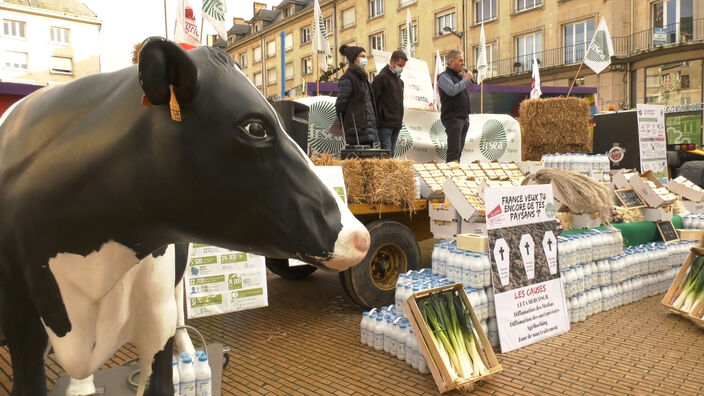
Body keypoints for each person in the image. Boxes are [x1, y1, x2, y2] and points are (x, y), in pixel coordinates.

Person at [335, 44, 378, 146]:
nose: (365, 59)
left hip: (367, 128)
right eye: (362, 56)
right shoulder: (348, 78)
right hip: (356, 128)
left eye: (365, 56)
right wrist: (348, 120)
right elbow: (340, 104)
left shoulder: (363, 78)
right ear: (354, 58)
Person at [437, 49, 473, 163]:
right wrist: (466, 79)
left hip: (463, 117)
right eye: (460, 60)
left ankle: (455, 172)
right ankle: (450, 175)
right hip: (453, 117)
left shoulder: (459, 77)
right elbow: (452, 90)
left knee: (458, 151)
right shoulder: (443, 77)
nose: (463, 63)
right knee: (454, 150)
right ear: (451, 62)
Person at [371, 50, 407, 157]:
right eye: (400, 65)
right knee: (386, 155)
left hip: (396, 123)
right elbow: (373, 100)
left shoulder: (400, 82)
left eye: (403, 66)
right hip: (385, 123)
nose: (401, 68)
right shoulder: (381, 78)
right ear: (392, 62)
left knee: (391, 154)